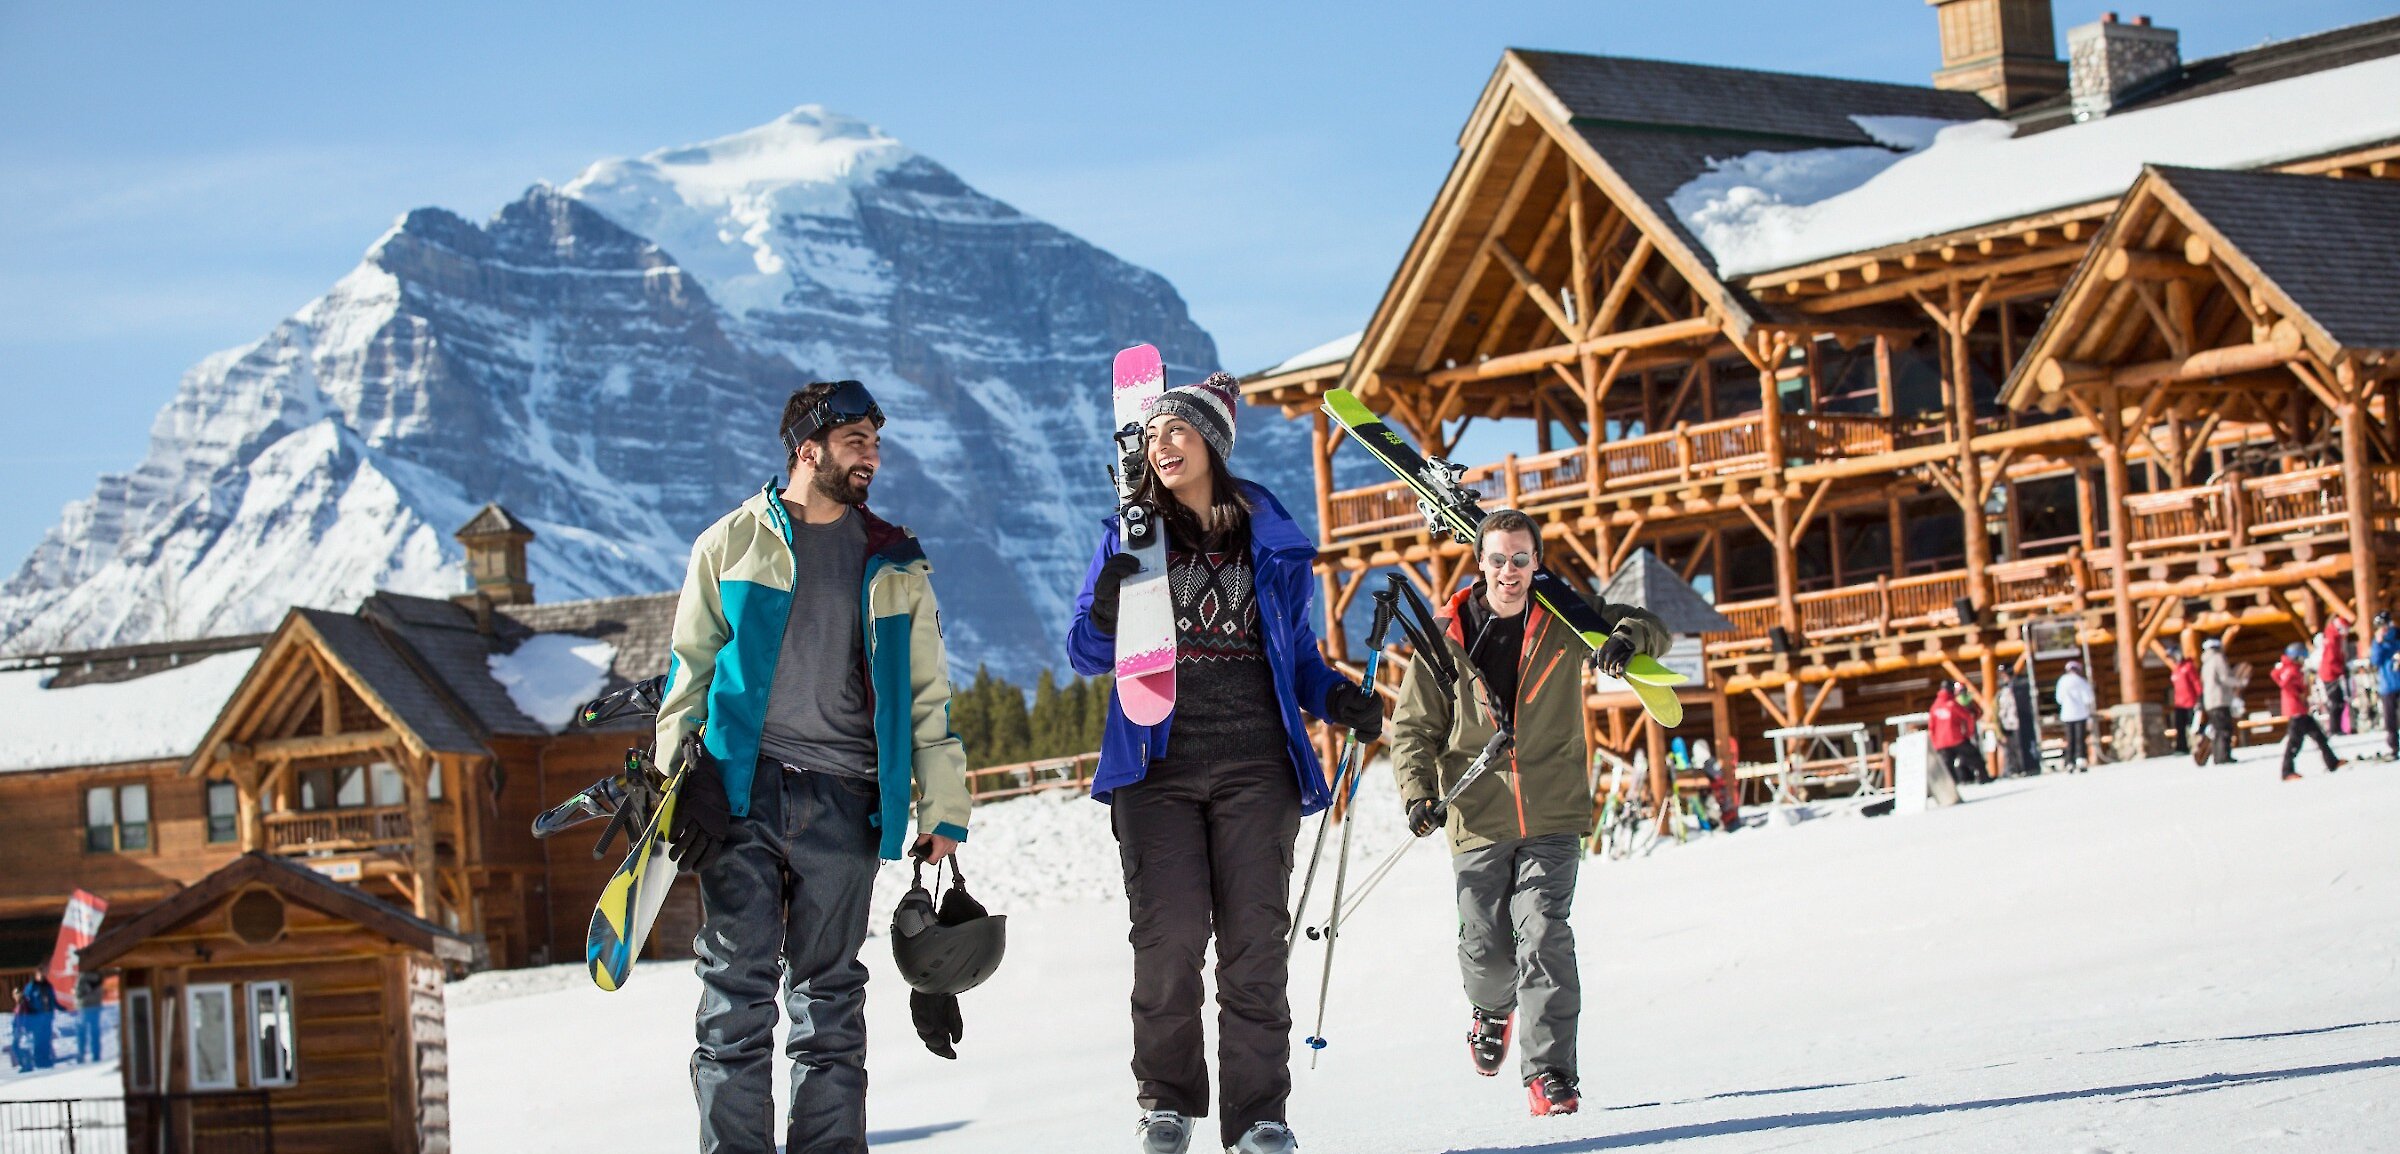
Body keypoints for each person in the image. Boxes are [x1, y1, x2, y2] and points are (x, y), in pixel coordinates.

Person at [1066, 372, 1382, 1154]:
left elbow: (1300, 657)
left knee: (1254, 948)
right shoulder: (1130, 533)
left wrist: (1336, 701)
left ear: (1212, 442)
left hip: (1256, 765)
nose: (1161, 445)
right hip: (1155, 765)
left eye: (1177, 431)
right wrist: (1107, 603)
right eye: (1151, 435)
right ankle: (1166, 1103)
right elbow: (1083, 651)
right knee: (1168, 940)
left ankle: (1260, 1118)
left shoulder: (1267, 539)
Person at [654, 380, 973, 1154]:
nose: (872, 455)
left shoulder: (896, 559)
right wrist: (675, 785)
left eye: (875, 440)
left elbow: (927, 694)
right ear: (808, 449)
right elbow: (686, 680)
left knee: (829, 1003)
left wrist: (944, 808)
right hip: (741, 794)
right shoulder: (728, 545)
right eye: (856, 440)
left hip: (848, 799)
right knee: (735, 1000)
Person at [1388, 508, 1671, 1119]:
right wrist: (1416, 794)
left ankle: (1550, 1073)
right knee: (1486, 951)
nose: (1509, 572)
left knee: (1544, 932)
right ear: (1480, 562)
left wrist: (1624, 641)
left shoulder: (1567, 618)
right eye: (1497, 559)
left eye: (1521, 559)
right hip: (1476, 814)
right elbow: (1413, 728)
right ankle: (1492, 1010)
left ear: (1536, 562)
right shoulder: (1448, 635)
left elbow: (1649, 625)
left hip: (1553, 810)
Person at [2272, 642, 2344, 780]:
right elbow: (2285, 684)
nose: (2303, 660)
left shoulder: (2295, 668)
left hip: (2302, 710)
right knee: (2294, 743)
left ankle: (2332, 762)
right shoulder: (2290, 669)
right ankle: (2287, 772)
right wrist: (2298, 693)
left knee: (2319, 737)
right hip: (2296, 711)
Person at [1928, 682, 1982, 797]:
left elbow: (1931, 727)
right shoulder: (1952, 704)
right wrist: (1968, 733)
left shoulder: (1934, 706)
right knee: (1974, 757)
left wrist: (1935, 742)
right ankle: (1983, 778)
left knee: (1947, 767)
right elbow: (1968, 717)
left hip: (1941, 743)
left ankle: (1950, 788)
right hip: (1956, 739)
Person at [2201, 637, 2241, 765]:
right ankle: (2223, 756)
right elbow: (2224, 677)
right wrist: (2238, 682)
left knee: (2218, 730)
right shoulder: (2217, 658)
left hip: (2210, 701)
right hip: (2220, 699)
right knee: (2225, 729)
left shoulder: (2205, 662)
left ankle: (2218, 756)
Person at [2056, 660, 2096, 772]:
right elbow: (2088, 699)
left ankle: (2069, 761)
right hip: (2080, 714)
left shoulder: (2062, 681)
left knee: (2070, 739)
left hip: (2067, 714)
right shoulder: (2081, 682)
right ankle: (2081, 759)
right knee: (2080, 738)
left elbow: (2059, 699)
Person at [2372, 614, 2400, 759]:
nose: (2383, 629)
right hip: (2387, 685)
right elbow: (2375, 661)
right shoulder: (2379, 642)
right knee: (2391, 721)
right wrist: (2378, 643)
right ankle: (2394, 748)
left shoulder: (2398, 636)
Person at [2319, 615, 2352, 735]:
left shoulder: (2335, 637)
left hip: (2332, 673)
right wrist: (2341, 670)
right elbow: (2331, 660)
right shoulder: (2332, 639)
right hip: (2330, 675)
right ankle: (2334, 729)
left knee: (2339, 701)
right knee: (2336, 702)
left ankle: (2337, 728)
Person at [1994, 668, 2027, 777]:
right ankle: (2012, 770)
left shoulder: (2018, 688)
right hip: (2006, 724)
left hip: (2017, 722)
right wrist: (1998, 730)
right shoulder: (2001, 693)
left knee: (2019, 746)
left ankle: (2022, 767)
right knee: (2009, 749)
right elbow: (1996, 711)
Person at [2170, 648, 2202, 756]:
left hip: (2190, 702)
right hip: (2179, 704)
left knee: (2193, 726)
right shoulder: (2176, 670)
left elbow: (2196, 682)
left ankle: (2198, 746)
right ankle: (2182, 748)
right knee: (2180, 726)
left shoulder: (2188, 667)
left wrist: (2200, 696)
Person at [74, 970, 102, 1063]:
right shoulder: (97, 976)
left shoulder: (83, 977)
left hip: (86, 1007)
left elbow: (77, 993)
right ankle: (95, 1055)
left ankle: (82, 1055)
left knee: (84, 1033)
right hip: (91, 1007)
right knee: (93, 1033)